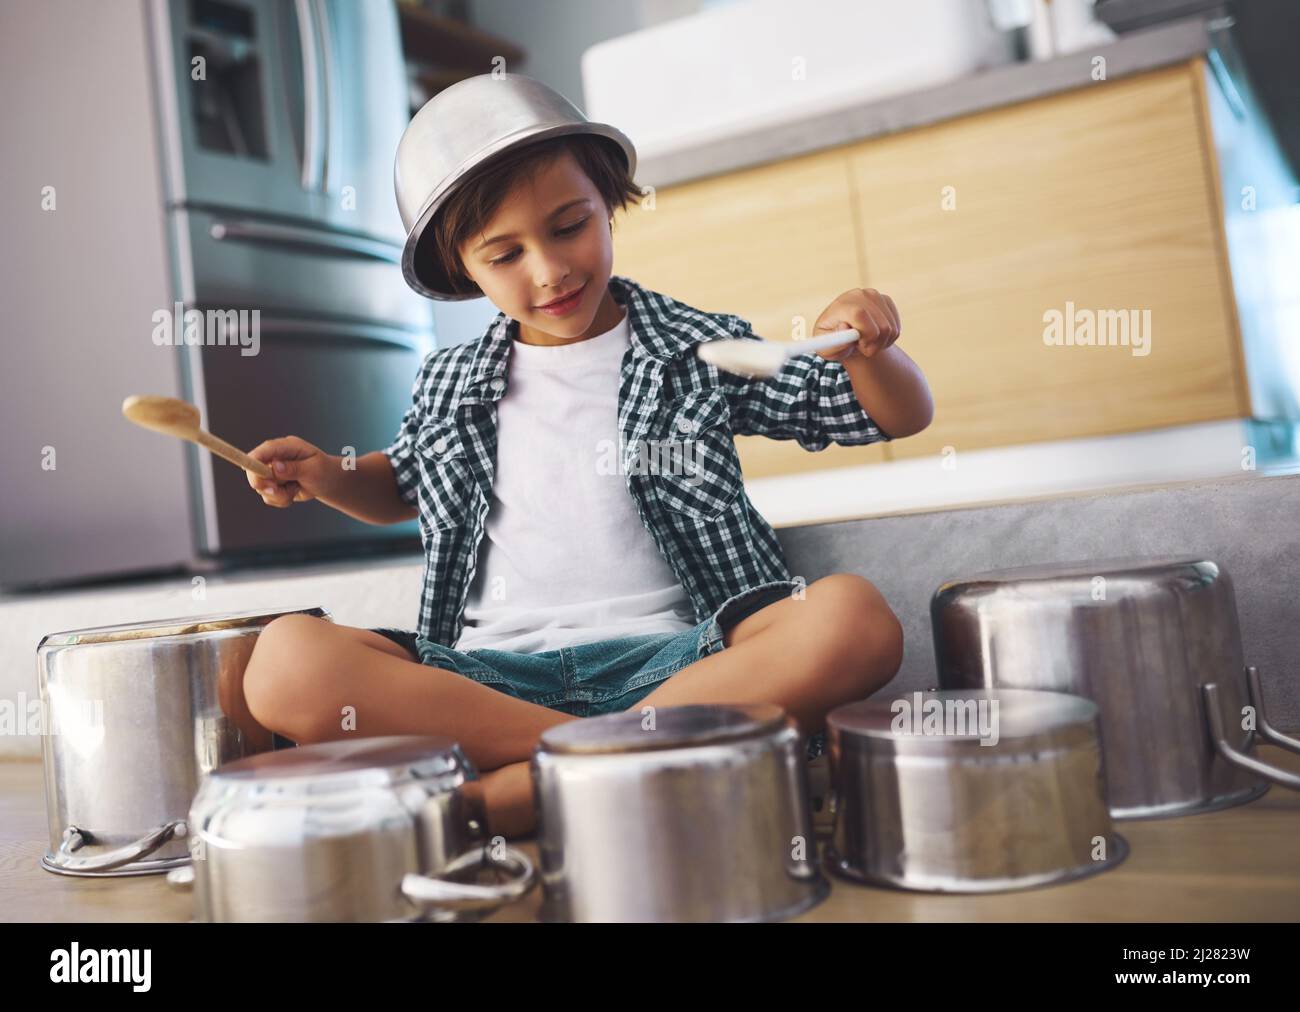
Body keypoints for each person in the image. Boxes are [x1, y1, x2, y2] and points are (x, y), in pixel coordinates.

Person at [239, 74, 933, 839]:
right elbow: (401, 484)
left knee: (853, 618)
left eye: (569, 226)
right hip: (486, 682)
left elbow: (888, 414)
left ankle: (526, 786)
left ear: (608, 203)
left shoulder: (701, 351)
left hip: (680, 664)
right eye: (505, 254)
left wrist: (871, 352)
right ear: (462, 267)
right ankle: (605, 764)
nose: (550, 270)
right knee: (284, 662)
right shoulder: (446, 382)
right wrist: (324, 474)